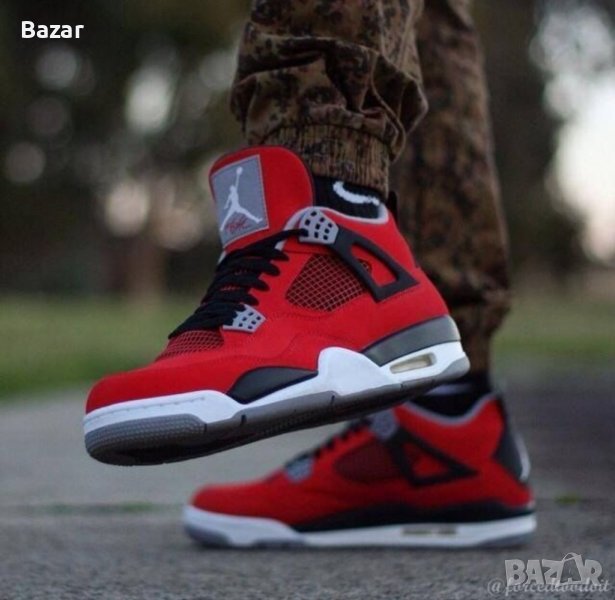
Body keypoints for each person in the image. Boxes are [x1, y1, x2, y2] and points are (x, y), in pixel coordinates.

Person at [84, 0, 535, 547]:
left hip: (345, 249)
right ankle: (447, 426)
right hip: (420, 354)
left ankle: (331, 222)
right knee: (430, 19)